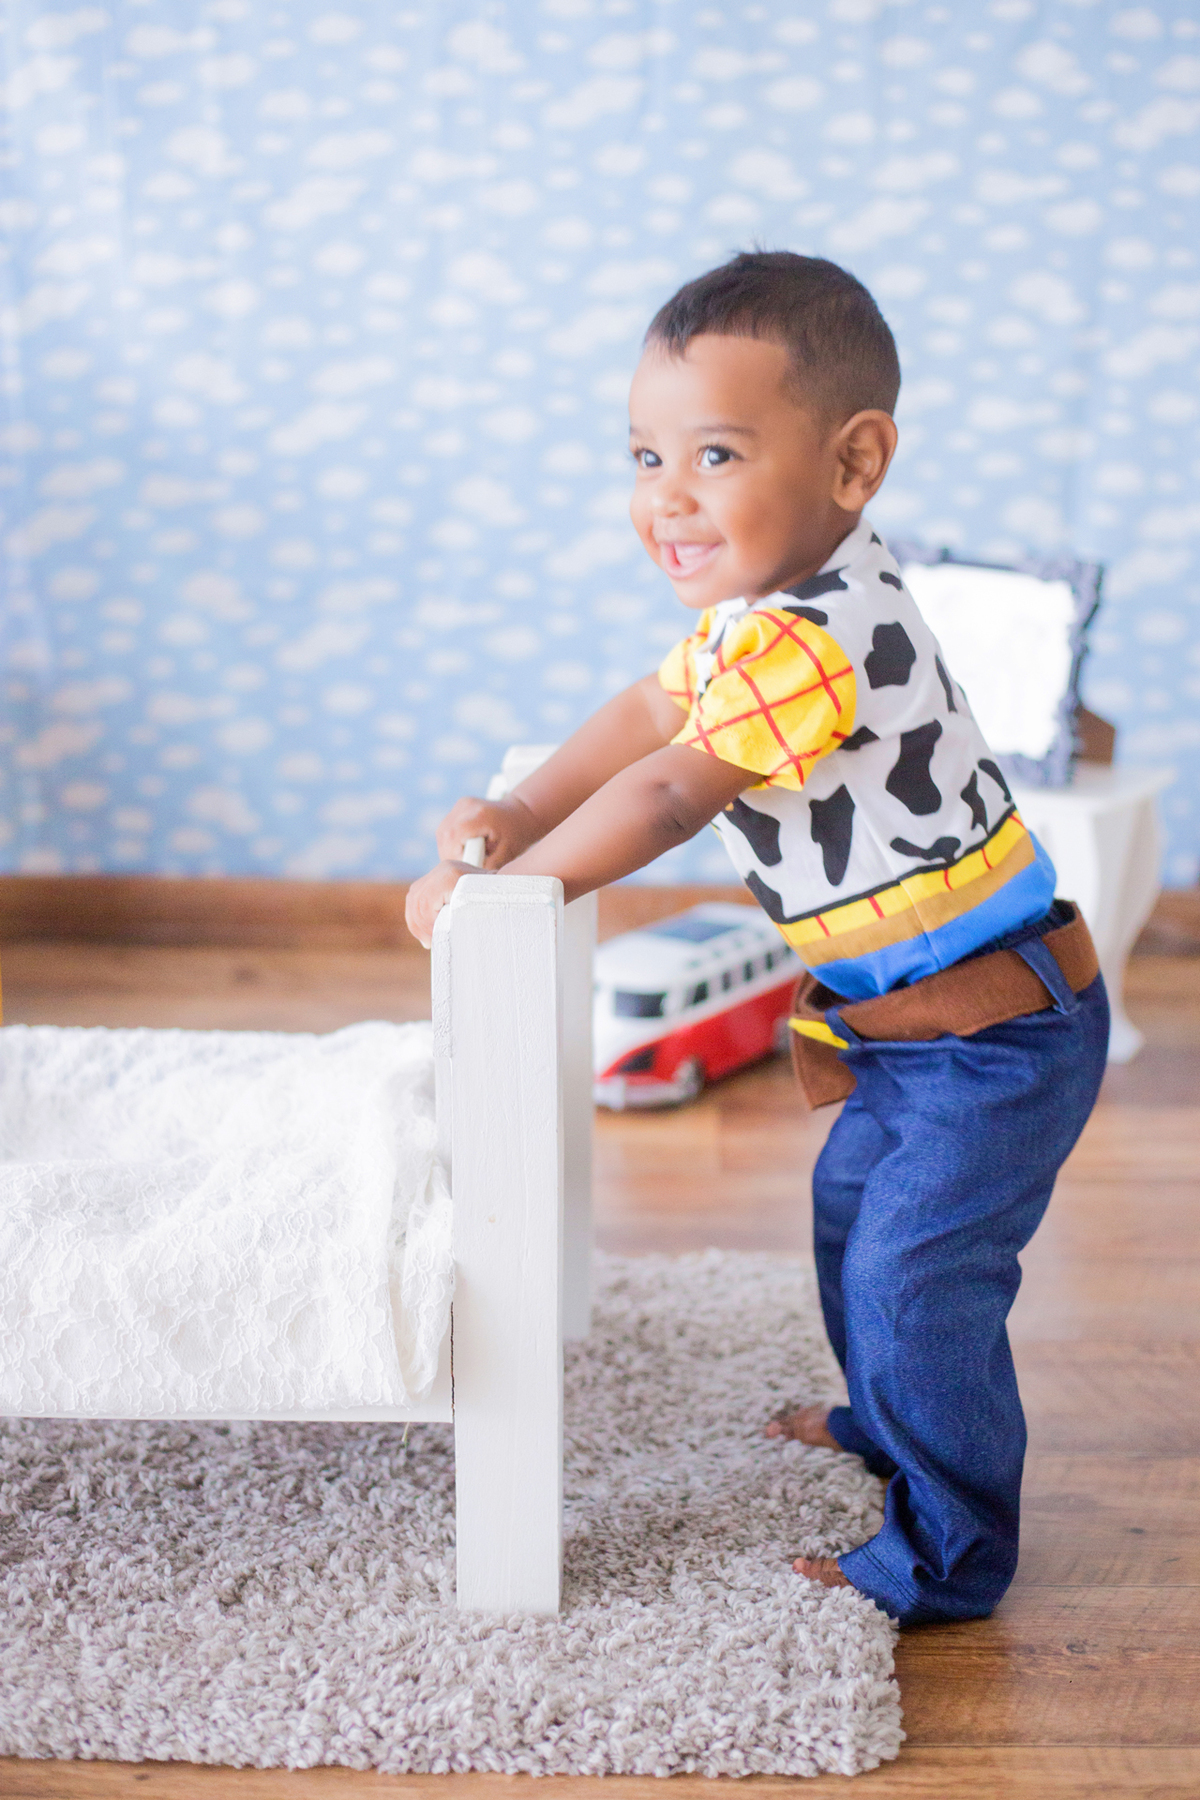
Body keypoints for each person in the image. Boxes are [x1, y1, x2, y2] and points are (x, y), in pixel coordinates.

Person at [405, 251, 1109, 1627]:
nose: (665, 493)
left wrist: (516, 887)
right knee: (853, 1226)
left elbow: (673, 792)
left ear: (855, 464)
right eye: (645, 452)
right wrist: (521, 802)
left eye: (714, 453)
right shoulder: (752, 622)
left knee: (921, 1273)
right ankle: (888, 1420)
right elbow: (640, 717)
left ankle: (951, 1556)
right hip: (902, 1025)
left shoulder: (825, 634)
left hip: (997, 1032)